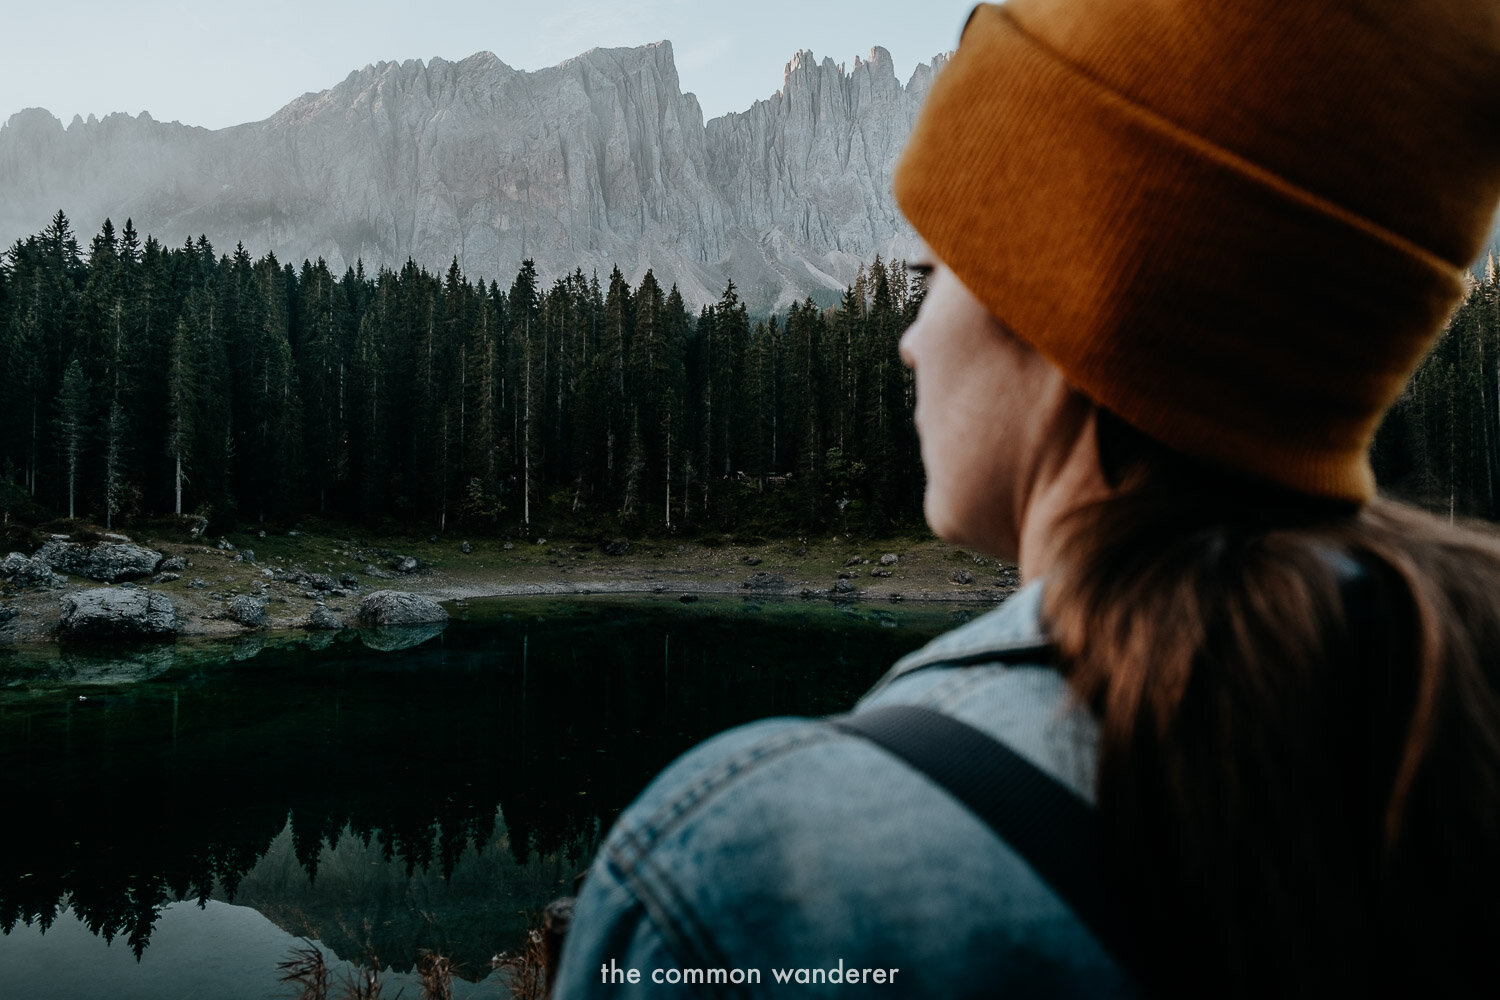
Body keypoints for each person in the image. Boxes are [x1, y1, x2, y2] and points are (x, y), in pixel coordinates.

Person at [551, 0, 1500, 995]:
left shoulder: (743, 882)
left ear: (1071, 297)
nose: (908, 340)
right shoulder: (1444, 744)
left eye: (931, 273)